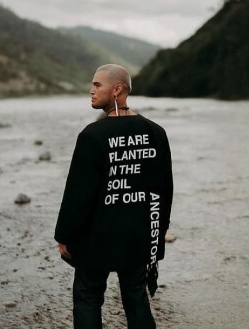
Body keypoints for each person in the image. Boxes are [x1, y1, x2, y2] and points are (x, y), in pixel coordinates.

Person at [54, 63, 173, 329]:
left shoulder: (92, 136)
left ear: (118, 89)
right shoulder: (156, 133)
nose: (91, 90)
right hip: (139, 235)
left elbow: (78, 194)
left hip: (97, 237)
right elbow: (164, 191)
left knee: (87, 297)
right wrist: (159, 231)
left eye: (98, 85)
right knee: (135, 296)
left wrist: (64, 235)